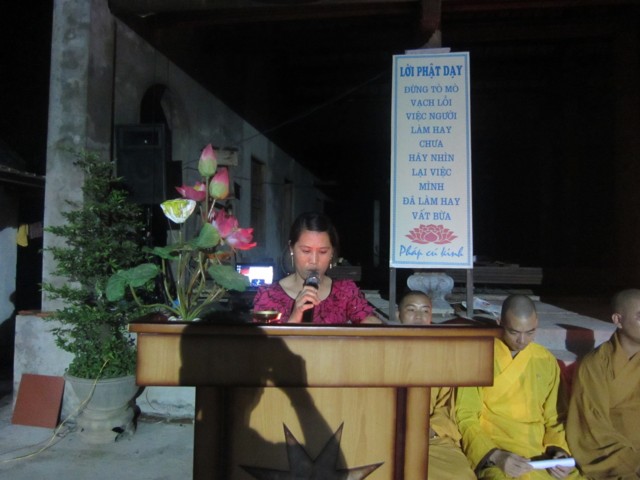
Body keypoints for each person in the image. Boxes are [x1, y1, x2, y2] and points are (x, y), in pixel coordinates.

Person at [455, 294, 581, 480]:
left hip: (540, 453)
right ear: (500, 323)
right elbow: (465, 415)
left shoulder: (544, 359)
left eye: (530, 332)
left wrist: (559, 450)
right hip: (499, 452)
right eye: (514, 332)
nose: (522, 340)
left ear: (537, 324)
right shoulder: (479, 357)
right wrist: (494, 455)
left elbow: (556, 416)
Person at [397, 290, 475, 479]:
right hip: (390, 437)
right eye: (411, 310)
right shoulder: (381, 350)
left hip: (431, 438)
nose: (419, 316)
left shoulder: (443, 355)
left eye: (425, 311)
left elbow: (447, 406)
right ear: (398, 314)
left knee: (460, 475)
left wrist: (430, 429)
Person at [252, 212, 380, 324]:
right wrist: (294, 318)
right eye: (306, 251)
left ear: (332, 252)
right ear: (292, 248)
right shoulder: (269, 295)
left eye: (323, 252)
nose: (314, 261)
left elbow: (371, 322)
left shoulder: (345, 292)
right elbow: (264, 343)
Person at [566, 288, 640, 479]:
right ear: (618, 320)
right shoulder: (594, 365)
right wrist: (633, 462)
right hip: (620, 453)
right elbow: (592, 425)